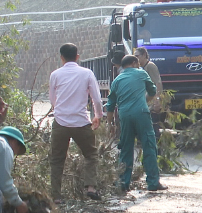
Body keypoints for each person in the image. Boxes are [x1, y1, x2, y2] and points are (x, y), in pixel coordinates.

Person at [48, 43, 103, 203]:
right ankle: (91, 187)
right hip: (81, 122)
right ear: (77, 57)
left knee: (57, 159)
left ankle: (56, 196)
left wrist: (59, 110)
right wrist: (98, 116)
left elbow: (53, 100)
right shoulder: (86, 73)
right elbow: (97, 99)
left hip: (60, 122)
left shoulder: (55, 75)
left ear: (61, 57)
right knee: (91, 155)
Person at [106, 55, 168, 192]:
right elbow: (152, 91)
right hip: (141, 114)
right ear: (134, 63)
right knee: (149, 146)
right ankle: (153, 182)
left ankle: (123, 183)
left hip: (124, 116)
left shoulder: (117, 80)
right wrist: (145, 100)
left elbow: (110, 105)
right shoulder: (141, 73)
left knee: (126, 149)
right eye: (138, 63)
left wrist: (110, 124)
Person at [135, 47, 163, 142]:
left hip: (152, 103)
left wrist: (157, 100)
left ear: (143, 55)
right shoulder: (141, 68)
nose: (136, 58)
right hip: (145, 102)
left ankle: (157, 149)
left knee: (154, 127)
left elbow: (158, 83)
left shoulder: (150, 66)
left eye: (137, 56)